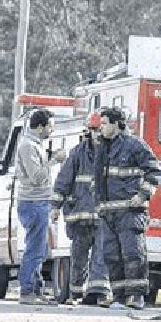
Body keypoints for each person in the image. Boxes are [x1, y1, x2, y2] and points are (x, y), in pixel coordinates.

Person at [92, 107, 161, 309]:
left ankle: (137, 296)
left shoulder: (134, 145)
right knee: (111, 256)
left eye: (104, 123)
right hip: (108, 212)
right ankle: (119, 297)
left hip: (130, 212)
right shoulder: (103, 147)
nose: (101, 128)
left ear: (116, 124)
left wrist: (142, 196)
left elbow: (154, 171)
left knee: (133, 254)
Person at [51, 113, 111, 305]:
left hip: (102, 216)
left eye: (99, 130)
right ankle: (75, 293)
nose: (97, 134)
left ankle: (98, 293)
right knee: (78, 256)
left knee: (101, 255)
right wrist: (55, 207)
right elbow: (63, 180)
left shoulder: (112, 153)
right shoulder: (77, 153)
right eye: (94, 130)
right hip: (79, 216)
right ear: (89, 131)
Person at [15, 109, 56, 305]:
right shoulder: (28, 146)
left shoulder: (35, 145)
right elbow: (37, 177)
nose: (51, 130)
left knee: (40, 248)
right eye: (50, 126)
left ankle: (37, 290)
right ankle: (27, 291)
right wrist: (54, 160)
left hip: (39, 202)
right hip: (33, 202)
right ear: (40, 126)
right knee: (34, 249)